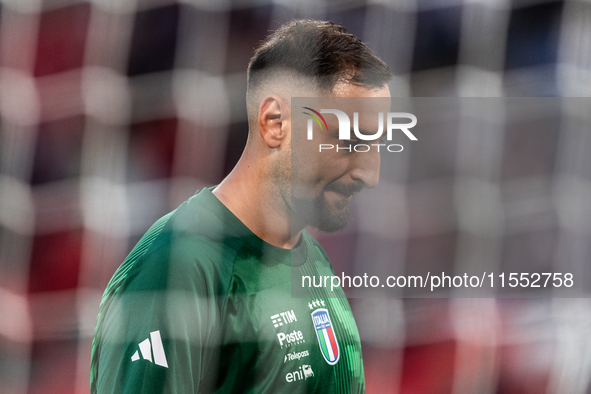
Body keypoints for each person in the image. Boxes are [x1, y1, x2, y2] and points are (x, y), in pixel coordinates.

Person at [90, 19, 392, 393]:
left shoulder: (312, 260)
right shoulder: (176, 268)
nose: (369, 174)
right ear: (274, 123)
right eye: (349, 141)